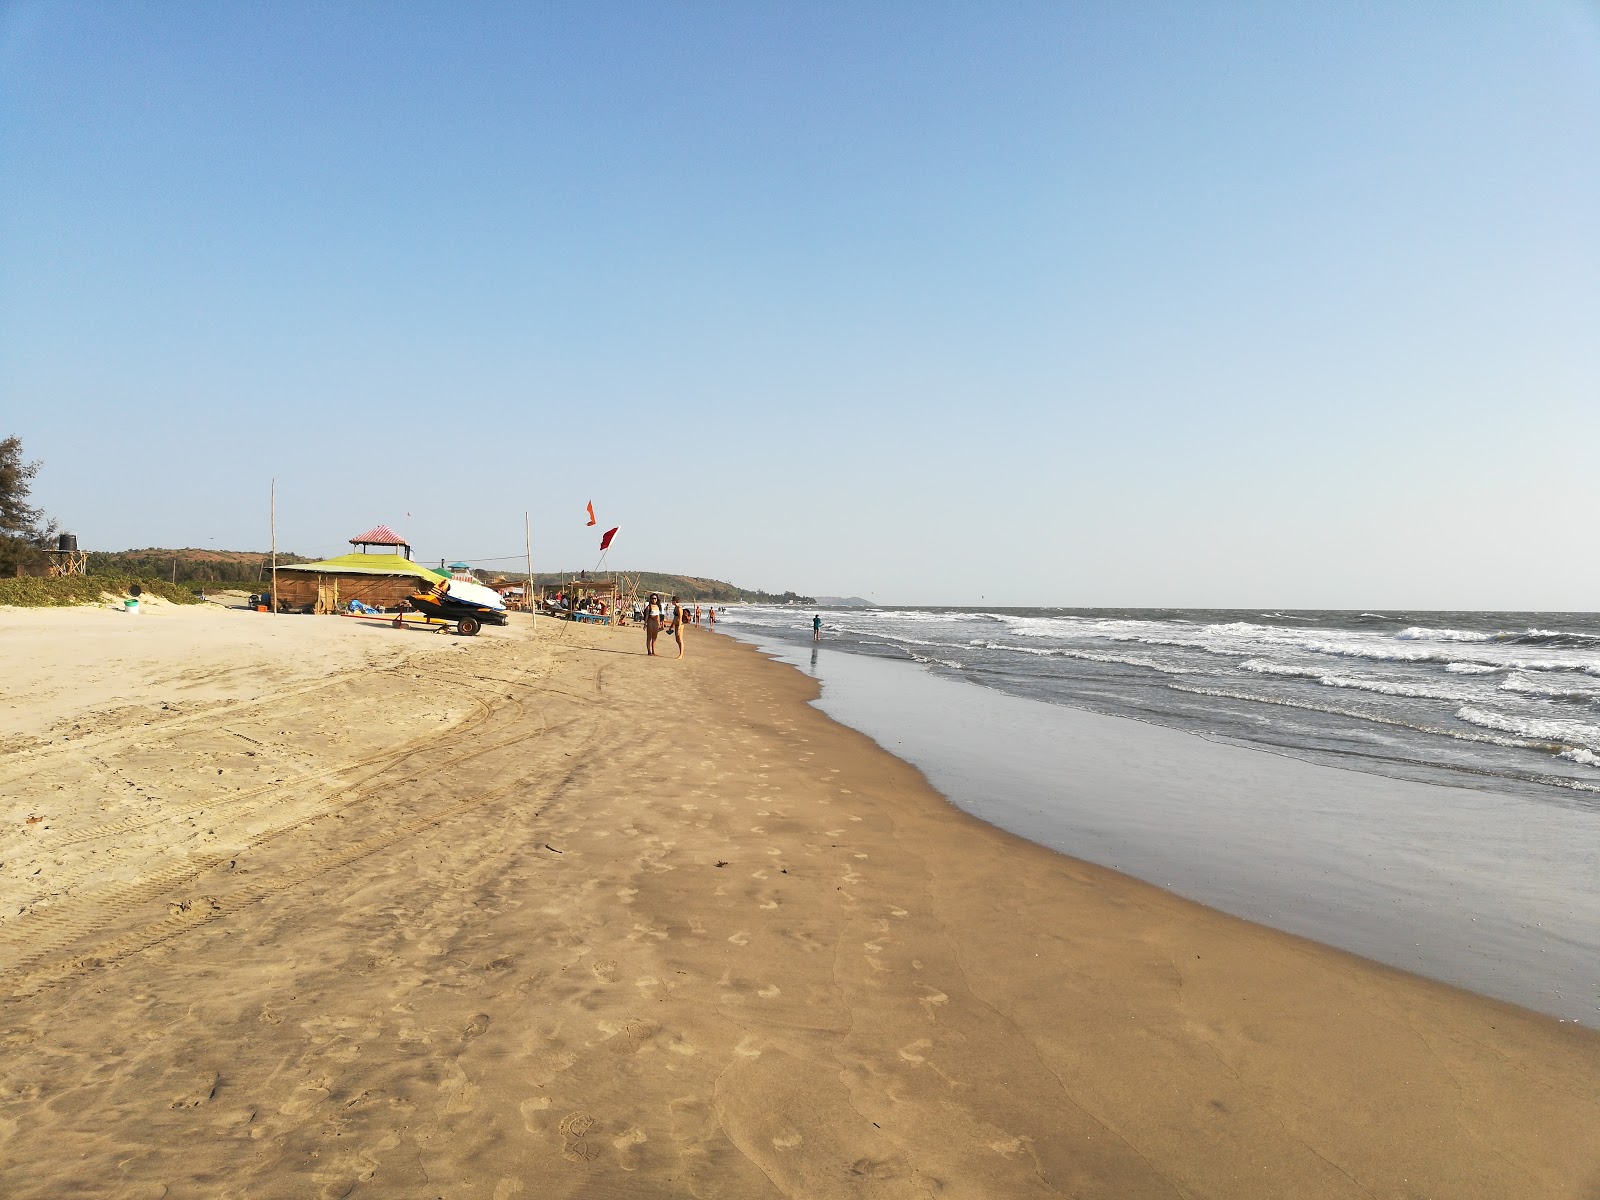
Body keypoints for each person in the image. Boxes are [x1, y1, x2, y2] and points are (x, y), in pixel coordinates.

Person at [671, 595, 688, 659]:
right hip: (676, 624)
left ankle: (681, 654)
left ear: (675, 601)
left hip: (680, 625)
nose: (671, 602)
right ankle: (681, 654)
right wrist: (671, 625)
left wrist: (678, 627)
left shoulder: (679, 608)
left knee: (680, 639)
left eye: (672, 601)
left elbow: (680, 617)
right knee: (677, 640)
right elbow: (675, 617)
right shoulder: (675, 608)